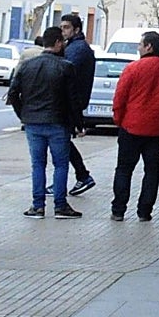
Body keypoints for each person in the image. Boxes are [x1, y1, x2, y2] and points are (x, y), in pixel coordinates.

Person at [110, 31, 159, 222]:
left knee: (124, 169)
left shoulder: (133, 69)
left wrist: (119, 120)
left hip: (131, 126)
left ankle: (118, 210)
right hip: (158, 129)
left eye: (140, 44)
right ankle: (145, 211)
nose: (138, 48)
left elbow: (120, 98)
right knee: (152, 170)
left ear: (149, 47)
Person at [7, 26, 83, 219]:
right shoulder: (66, 67)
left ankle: (37, 205)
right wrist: (77, 123)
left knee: (38, 164)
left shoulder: (27, 66)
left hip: (33, 122)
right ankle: (60, 206)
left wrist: (23, 114)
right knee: (60, 164)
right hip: (58, 122)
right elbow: (73, 99)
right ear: (58, 43)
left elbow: (13, 94)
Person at [58, 13, 96, 196]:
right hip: (71, 101)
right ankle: (79, 175)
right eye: (62, 27)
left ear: (76, 30)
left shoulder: (77, 49)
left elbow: (64, 72)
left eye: (66, 27)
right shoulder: (74, 47)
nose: (63, 31)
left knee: (61, 142)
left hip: (70, 102)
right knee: (62, 142)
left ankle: (81, 175)